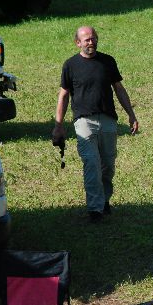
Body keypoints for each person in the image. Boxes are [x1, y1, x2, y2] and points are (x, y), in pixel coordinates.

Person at [52, 26, 139, 223]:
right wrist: (58, 125)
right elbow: (63, 95)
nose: (90, 42)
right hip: (84, 122)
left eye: (93, 39)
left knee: (108, 165)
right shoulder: (70, 65)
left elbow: (119, 89)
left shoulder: (107, 61)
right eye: (86, 40)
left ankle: (104, 200)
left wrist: (131, 115)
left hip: (108, 120)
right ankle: (95, 209)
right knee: (91, 163)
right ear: (78, 43)